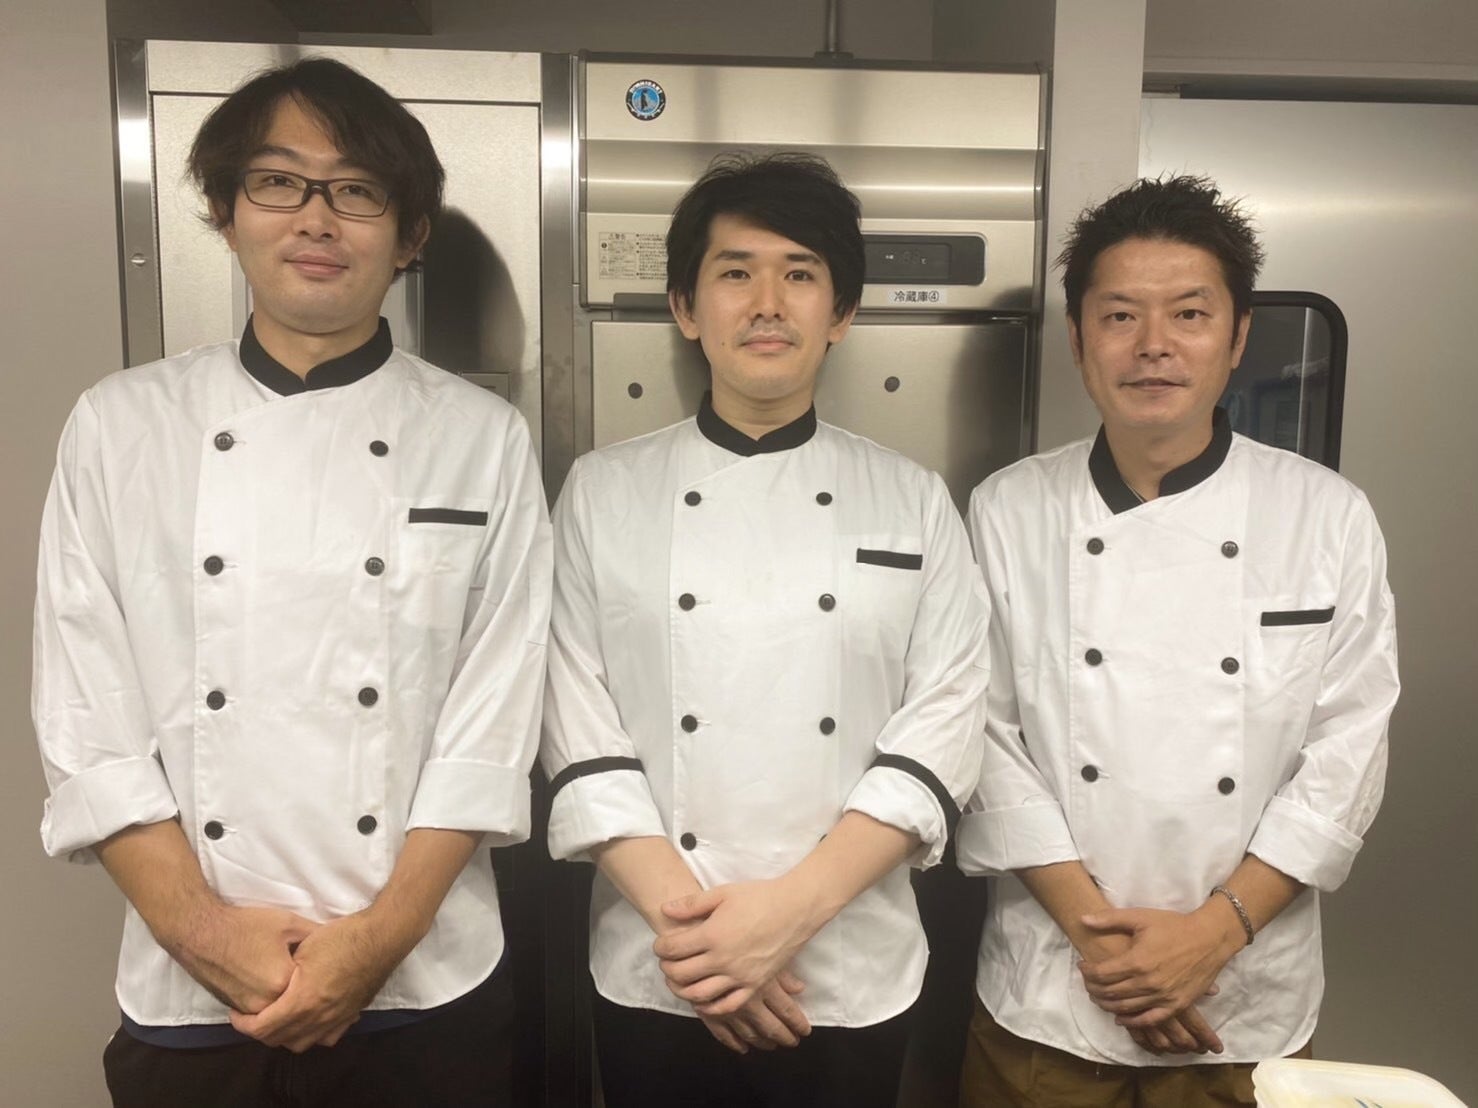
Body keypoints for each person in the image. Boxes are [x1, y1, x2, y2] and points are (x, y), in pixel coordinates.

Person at [32, 57, 550, 1107]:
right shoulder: (120, 425)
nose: (316, 217)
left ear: (409, 236)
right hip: (194, 988)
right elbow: (86, 709)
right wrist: (203, 933)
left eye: (356, 190)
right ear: (225, 213)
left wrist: (378, 940)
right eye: (278, 182)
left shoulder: (482, 437)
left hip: (424, 978)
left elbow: (493, 719)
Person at [540, 152, 990, 1108]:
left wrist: (784, 919)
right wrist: (707, 946)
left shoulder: (912, 500)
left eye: (800, 274)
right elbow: (573, 721)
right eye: (735, 272)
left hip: (848, 963)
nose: (767, 304)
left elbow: (947, 721)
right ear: (685, 307)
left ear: (843, 312)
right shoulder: (602, 492)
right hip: (660, 960)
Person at [955, 175, 1399, 1106]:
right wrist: (1111, 953)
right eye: (1120, 315)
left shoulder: (1327, 515)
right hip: (1056, 989)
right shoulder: (1007, 509)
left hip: (1242, 998)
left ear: (1236, 338)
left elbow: (1349, 749)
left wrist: (1210, 937)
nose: (1153, 344)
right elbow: (983, 737)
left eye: (1190, 314)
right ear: (1079, 340)